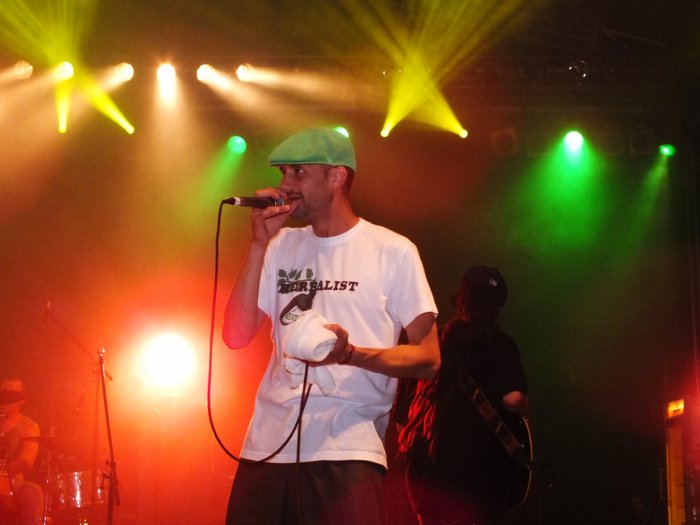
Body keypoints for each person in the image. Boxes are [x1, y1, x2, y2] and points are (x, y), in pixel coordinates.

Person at [221, 127, 440, 525]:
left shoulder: (392, 251)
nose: (285, 185)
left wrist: (350, 354)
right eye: (283, 173)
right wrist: (258, 245)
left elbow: (428, 358)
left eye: (298, 173)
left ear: (337, 177)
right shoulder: (280, 245)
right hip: (267, 448)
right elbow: (235, 335)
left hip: (347, 449)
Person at [398, 265, 529, 525]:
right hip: (480, 472)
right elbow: (513, 400)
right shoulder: (502, 346)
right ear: (496, 308)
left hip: (428, 472)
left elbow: (403, 413)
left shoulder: (430, 345)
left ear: (461, 302)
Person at [0, 379, 45, 525]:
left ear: (22, 400)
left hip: (13, 482)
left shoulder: (29, 426)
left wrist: (3, 470)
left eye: (12, 395)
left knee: (33, 493)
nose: (7, 398)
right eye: (3, 393)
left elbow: (26, 462)